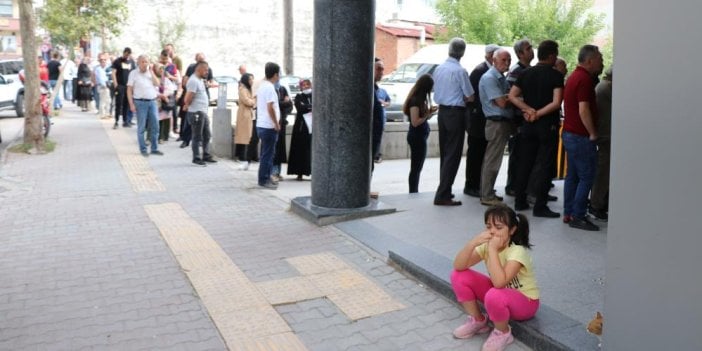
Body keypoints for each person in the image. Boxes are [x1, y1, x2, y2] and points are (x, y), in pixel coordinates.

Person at [451, 204, 539, 351]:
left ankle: (503, 333)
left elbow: (499, 283)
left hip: (526, 303)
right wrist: (473, 242)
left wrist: (492, 249)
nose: (492, 232)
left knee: (494, 294)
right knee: (458, 276)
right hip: (499, 295)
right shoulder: (487, 246)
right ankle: (478, 321)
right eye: (488, 227)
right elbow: (458, 265)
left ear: (512, 230)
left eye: (498, 227)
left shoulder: (517, 251)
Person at [508, 40, 563, 218]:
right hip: (547, 125)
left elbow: (512, 96)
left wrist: (527, 109)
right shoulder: (556, 76)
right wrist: (538, 113)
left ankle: (520, 201)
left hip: (528, 125)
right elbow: (556, 103)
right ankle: (540, 205)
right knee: (545, 165)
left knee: (525, 162)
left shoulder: (525, 73)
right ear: (552, 55)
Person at [562, 45, 604, 231]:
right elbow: (583, 109)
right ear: (589, 61)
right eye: (599, 59)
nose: (602, 62)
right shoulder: (585, 80)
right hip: (580, 136)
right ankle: (578, 215)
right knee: (587, 176)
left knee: (572, 176)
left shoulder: (573, 77)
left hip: (570, 134)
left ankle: (569, 212)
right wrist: (593, 132)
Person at [433, 38, 475, 206]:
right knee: (453, 155)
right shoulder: (460, 71)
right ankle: (443, 193)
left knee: (445, 154)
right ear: (463, 52)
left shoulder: (439, 69)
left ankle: (445, 190)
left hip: (442, 112)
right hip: (455, 113)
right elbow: (470, 96)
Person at [479, 49, 515, 207]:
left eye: (509, 60)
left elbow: (504, 98)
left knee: (494, 160)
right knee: (492, 161)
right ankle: (486, 195)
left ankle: (488, 192)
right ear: (494, 61)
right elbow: (501, 102)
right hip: (496, 123)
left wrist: (509, 97)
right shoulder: (490, 78)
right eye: (503, 60)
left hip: (501, 122)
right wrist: (513, 97)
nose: (507, 63)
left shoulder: (500, 78)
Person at [464, 44, 500, 198]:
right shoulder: (480, 71)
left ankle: (480, 184)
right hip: (478, 120)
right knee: (475, 154)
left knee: (483, 154)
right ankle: (471, 185)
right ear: (491, 56)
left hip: (484, 119)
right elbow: (473, 97)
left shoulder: (490, 71)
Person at [505, 39, 535, 197]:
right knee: (517, 155)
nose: (532, 50)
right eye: (528, 48)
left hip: (526, 119)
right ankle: (513, 186)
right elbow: (510, 97)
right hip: (518, 120)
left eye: (531, 47)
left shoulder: (528, 69)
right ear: (520, 54)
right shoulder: (517, 71)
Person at [404, 74, 436, 193]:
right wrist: (427, 115)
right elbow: (415, 122)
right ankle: (413, 191)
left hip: (419, 136)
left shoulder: (419, 99)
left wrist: (428, 112)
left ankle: (414, 190)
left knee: (417, 167)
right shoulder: (416, 101)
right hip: (417, 137)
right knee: (416, 167)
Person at [127, 55, 163, 157]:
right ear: (138, 62)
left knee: (155, 125)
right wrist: (131, 104)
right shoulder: (133, 74)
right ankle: (143, 149)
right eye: (142, 62)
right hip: (140, 102)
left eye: (146, 62)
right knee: (141, 127)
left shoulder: (150, 73)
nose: (144, 64)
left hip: (152, 102)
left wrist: (151, 72)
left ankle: (154, 148)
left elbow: (158, 84)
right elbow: (129, 90)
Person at [182, 60, 217, 166]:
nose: (207, 72)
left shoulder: (200, 80)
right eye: (205, 70)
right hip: (196, 112)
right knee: (197, 136)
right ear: (199, 69)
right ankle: (196, 158)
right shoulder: (193, 81)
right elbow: (188, 98)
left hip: (202, 111)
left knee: (207, 135)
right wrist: (187, 104)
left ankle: (206, 155)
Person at [589, 66, 612, 221]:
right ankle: (596, 204)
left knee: (603, 170)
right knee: (603, 172)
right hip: (606, 135)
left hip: (604, 133)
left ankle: (598, 203)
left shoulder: (602, 86)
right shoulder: (607, 87)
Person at [256, 62, 282, 189]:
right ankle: (264, 179)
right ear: (275, 74)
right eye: (279, 74)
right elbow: (270, 107)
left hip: (261, 124)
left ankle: (266, 177)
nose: (279, 77)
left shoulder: (262, 86)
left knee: (266, 153)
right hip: (268, 126)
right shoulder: (270, 88)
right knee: (268, 154)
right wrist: (276, 123)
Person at [287, 78, 313, 180]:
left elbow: (316, 106)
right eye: (304, 85)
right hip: (302, 127)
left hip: (312, 126)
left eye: (308, 84)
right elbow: (301, 108)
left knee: (311, 150)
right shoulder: (298, 97)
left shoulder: (314, 95)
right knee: (300, 149)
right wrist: (309, 107)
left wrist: (307, 106)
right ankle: (299, 173)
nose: (306, 86)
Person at [272, 82, 293, 182]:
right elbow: (274, 104)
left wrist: (284, 106)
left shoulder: (283, 89)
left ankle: (278, 172)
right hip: (273, 123)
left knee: (280, 148)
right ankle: (273, 172)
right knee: (273, 148)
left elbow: (290, 105)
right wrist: (284, 103)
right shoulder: (270, 89)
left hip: (282, 121)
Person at [234, 73, 256, 169]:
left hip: (249, 114)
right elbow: (247, 101)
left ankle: (248, 156)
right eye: (250, 79)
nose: (252, 81)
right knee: (244, 135)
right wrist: (254, 101)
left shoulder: (249, 89)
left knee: (248, 135)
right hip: (244, 115)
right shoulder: (242, 89)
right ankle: (241, 156)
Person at [112, 48, 136, 129]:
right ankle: (116, 121)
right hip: (120, 86)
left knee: (127, 104)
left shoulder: (132, 62)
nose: (127, 56)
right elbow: (113, 73)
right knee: (119, 104)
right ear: (124, 53)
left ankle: (125, 121)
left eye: (128, 54)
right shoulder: (117, 61)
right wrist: (116, 85)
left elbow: (134, 73)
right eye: (126, 54)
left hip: (129, 86)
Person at [372, 58, 388, 167]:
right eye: (379, 69)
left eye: (383, 69)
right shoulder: (369, 89)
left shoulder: (377, 89)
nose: (382, 72)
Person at [94, 53, 111, 119]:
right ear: (100, 62)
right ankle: (102, 114)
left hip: (107, 86)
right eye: (102, 61)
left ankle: (107, 113)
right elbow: (100, 78)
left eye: (104, 60)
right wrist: (104, 85)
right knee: (103, 101)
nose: (103, 62)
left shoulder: (107, 68)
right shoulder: (98, 69)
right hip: (102, 86)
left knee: (108, 100)